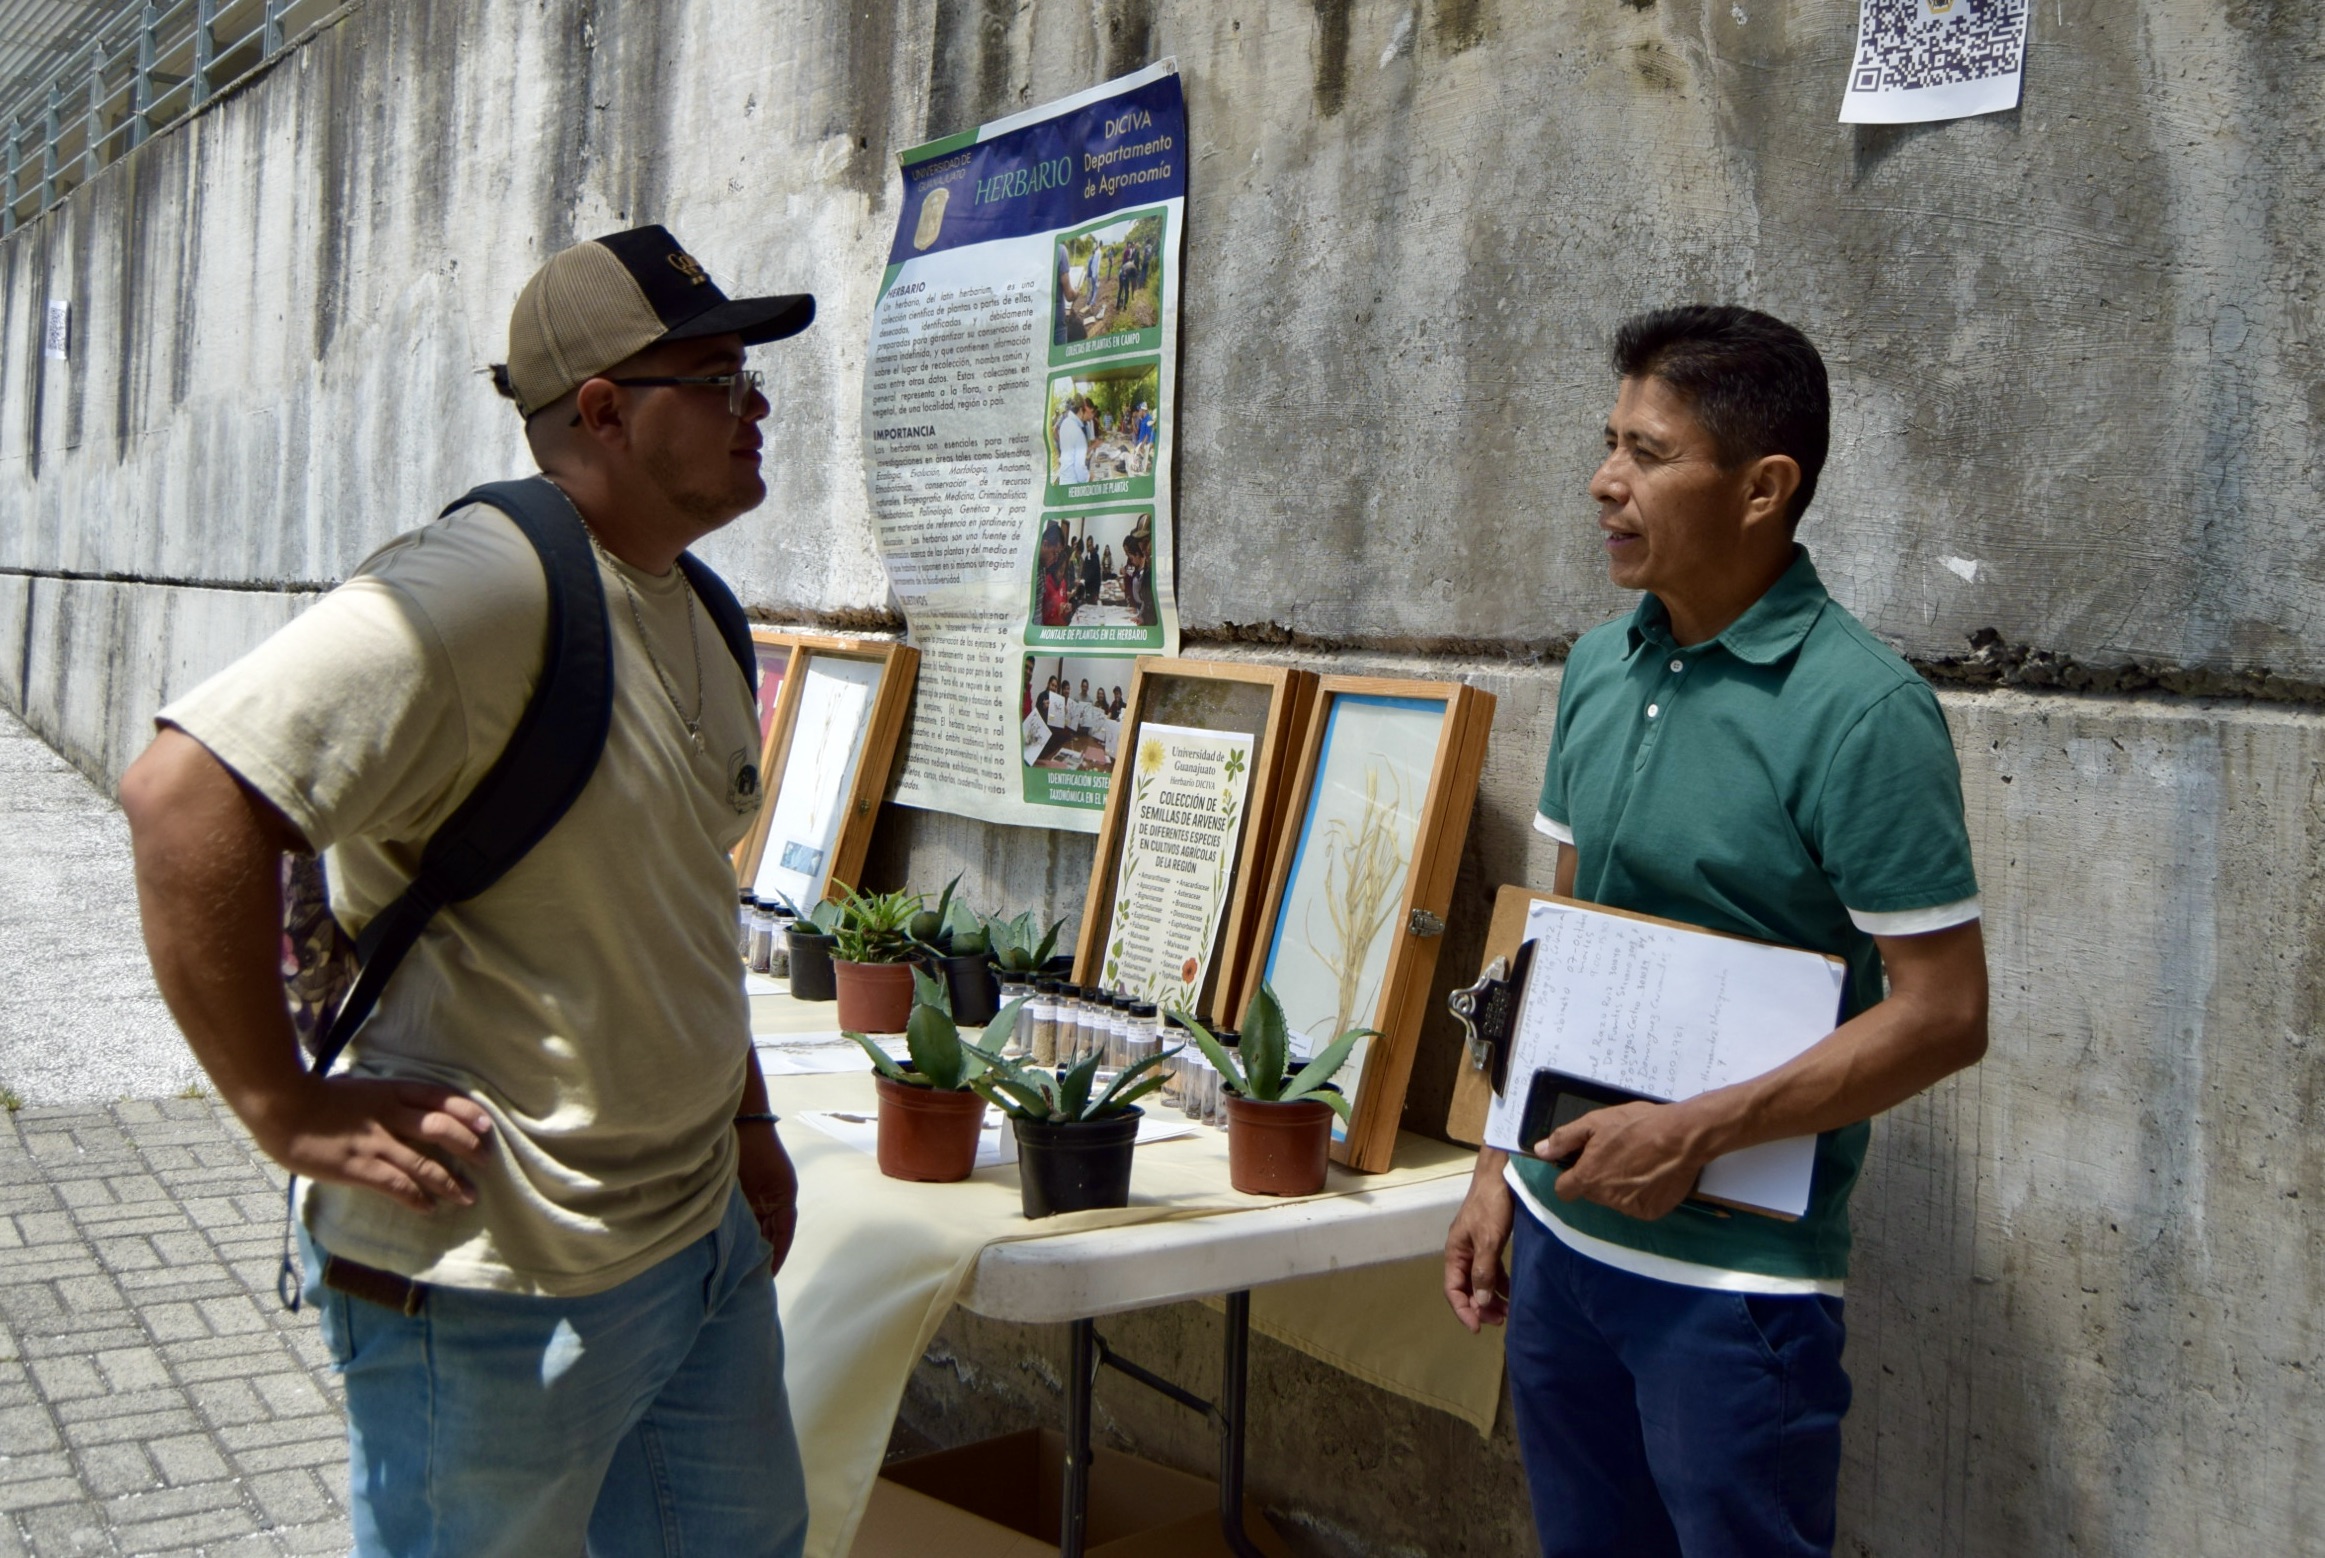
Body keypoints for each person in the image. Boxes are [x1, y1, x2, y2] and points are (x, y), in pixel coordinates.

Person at [119, 226, 817, 1558]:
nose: (758, 403)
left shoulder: (695, 604)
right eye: (719, 378)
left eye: (752, 376)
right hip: (506, 1280)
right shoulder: (487, 584)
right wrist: (283, 1105)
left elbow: (674, 898)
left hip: (696, 1242)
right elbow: (185, 795)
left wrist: (747, 1120)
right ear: (603, 412)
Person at [1442, 306, 1988, 1558]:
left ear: (1764, 487)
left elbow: (1946, 1013)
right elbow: (1562, 939)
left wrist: (1697, 1133)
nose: (1604, 480)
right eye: (1609, 441)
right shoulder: (1598, 665)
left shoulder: (1864, 713)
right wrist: (1495, 1165)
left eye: (1647, 451)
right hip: (1565, 1243)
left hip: (1733, 1295)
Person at [1055, 396, 1089, 485]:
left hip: (1063, 480)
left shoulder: (1065, 424)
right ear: (1081, 411)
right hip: (1073, 482)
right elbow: (1080, 471)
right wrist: (1089, 477)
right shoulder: (1078, 431)